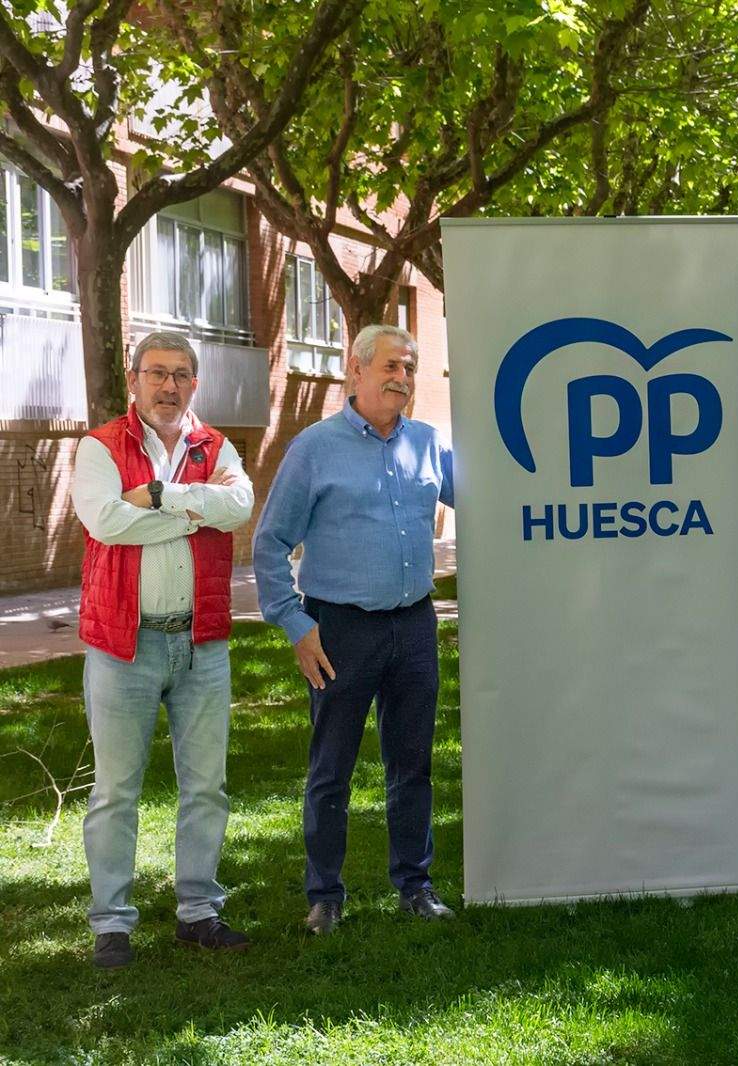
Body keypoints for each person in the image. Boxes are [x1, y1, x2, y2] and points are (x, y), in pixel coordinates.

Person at [253, 324, 455, 935]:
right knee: (331, 768)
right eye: (392, 365)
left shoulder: (427, 444)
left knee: (413, 763)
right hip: (339, 629)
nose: (403, 377)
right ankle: (325, 896)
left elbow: (492, 497)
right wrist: (295, 625)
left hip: (415, 625)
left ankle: (415, 886)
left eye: (411, 367)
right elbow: (269, 543)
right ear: (357, 371)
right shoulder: (314, 448)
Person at [70, 331, 255, 969]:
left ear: (194, 384)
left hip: (201, 641)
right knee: (117, 790)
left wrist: (162, 496)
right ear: (134, 379)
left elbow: (240, 506)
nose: (168, 386)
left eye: (180, 375)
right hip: (124, 643)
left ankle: (198, 913)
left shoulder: (214, 445)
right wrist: (196, 513)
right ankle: (112, 925)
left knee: (207, 787)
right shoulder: (99, 446)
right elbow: (106, 522)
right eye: (156, 373)